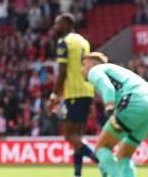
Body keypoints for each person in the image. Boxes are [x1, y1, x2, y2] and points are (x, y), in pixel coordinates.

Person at [82, 52, 148, 177]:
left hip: (134, 102)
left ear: (93, 63)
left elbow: (108, 88)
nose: (83, 69)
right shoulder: (116, 71)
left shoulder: (96, 70)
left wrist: (110, 111)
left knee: (102, 147)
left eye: (84, 64)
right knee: (124, 155)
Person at [48, 13, 99, 177]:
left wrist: (54, 96)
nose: (55, 27)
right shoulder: (84, 42)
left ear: (67, 24)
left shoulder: (64, 42)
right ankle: (77, 173)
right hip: (87, 90)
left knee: (70, 135)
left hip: (74, 92)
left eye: (58, 24)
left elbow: (63, 72)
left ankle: (101, 160)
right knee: (78, 136)